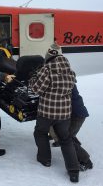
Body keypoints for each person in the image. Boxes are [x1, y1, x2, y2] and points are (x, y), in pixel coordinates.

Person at [29, 42, 80, 183]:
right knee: (66, 140)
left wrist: (33, 78)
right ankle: (74, 171)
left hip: (46, 112)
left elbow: (36, 89)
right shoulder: (69, 70)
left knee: (40, 133)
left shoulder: (47, 69)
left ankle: (45, 159)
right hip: (64, 114)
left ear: (49, 54)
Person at [50, 84, 93, 171]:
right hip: (78, 114)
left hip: (76, 115)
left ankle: (86, 161)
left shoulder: (63, 83)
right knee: (68, 136)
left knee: (66, 139)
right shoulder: (68, 80)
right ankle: (77, 151)